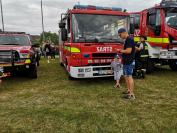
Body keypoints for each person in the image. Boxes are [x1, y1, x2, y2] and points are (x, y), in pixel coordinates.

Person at [118, 28, 136, 100]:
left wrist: (120, 50)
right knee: (126, 76)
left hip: (129, 61)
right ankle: (129, 91)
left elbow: (128, 51)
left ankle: (131, 95)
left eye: (120, 35)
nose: (120, 37)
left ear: (124, 33)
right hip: (126, 61)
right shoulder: (127, 40)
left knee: (129, 76)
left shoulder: (129, 39)